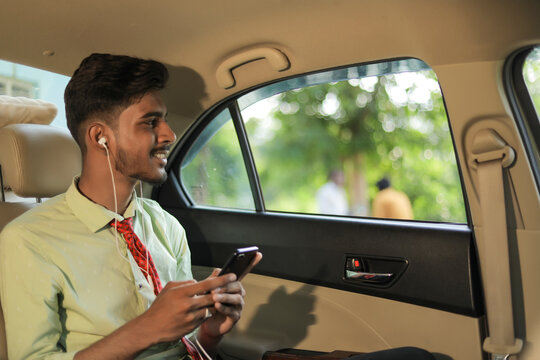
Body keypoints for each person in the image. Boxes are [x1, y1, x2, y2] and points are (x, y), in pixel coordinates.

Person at [0, 53, 261, 360]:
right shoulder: (28, 240)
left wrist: (209, 333)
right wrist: (147, 328)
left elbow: (185, 344)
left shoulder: (166, 225)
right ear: (100, 137)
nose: (169, 134)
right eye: (151, 122)